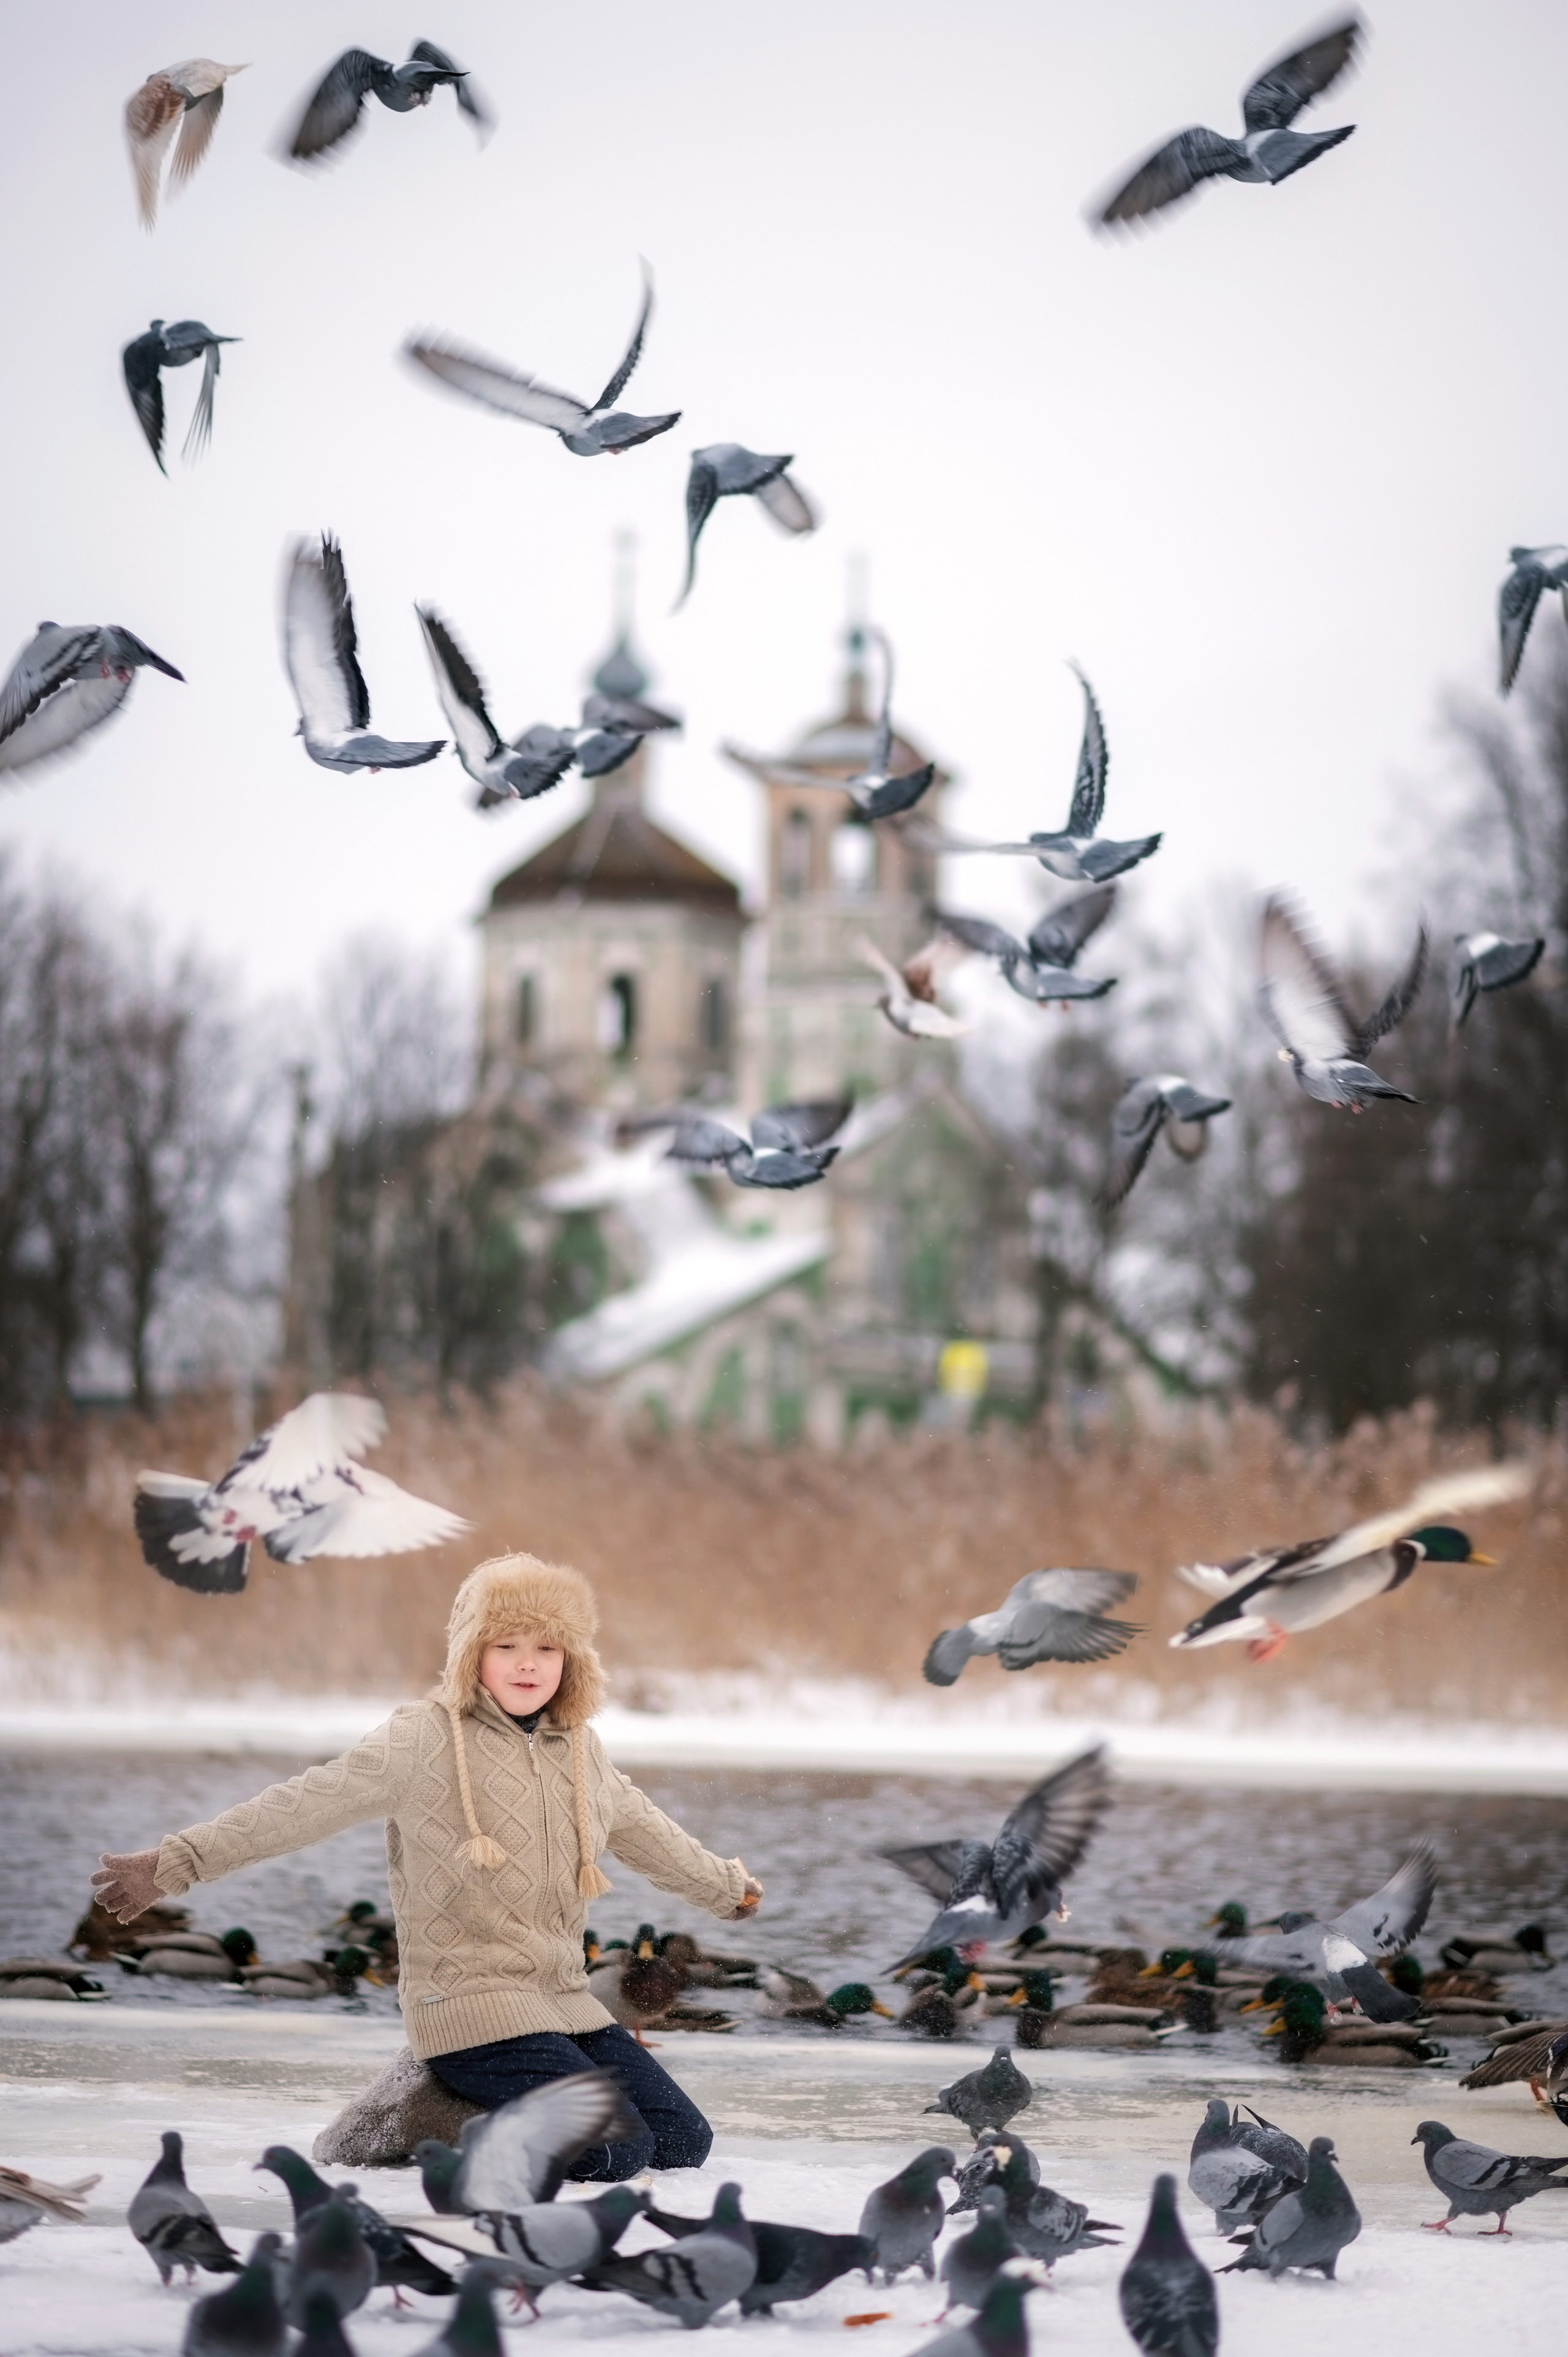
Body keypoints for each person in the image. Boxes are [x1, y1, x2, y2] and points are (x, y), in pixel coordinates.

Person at [92, 1553, 762, 2177]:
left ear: (571, 1659)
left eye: (546, 1648)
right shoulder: (421, 1740)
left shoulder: (578, 1748)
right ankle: (425, 2118)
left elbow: (646, 1829)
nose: (527, 1665)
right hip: (468, 2006)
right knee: (618, 2149)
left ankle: (475, 2105)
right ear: (473, 1653)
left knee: (680, 2141)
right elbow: (300, 1807)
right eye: (506, 1646)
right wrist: (175, 1862)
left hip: (561, 1999)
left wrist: (724, 1888)